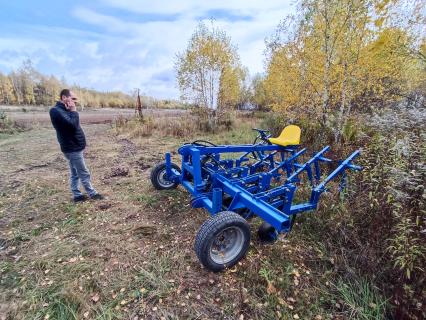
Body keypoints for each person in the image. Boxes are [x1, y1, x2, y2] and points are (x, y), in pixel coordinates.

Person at [49, 89, 104, 202]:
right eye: (73, 98)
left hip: (74, 146)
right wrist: (73, 110)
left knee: (75, 172)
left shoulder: (64, 110)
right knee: (83, 172)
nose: (75, 101)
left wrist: (70, 110)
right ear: (64, 98)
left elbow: (73, 126)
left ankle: (77, 195)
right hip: (71, 148)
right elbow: (73, 125)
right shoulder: (56, 111)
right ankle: (92, 193)